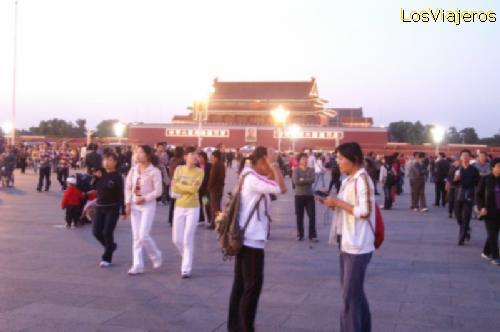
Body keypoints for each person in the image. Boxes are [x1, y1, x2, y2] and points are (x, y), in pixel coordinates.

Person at [227, 146, 286, 332]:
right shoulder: (252, 178)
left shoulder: (248, 176)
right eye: (267, 163)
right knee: (252, 286)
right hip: (251, 239)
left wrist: (272, 167)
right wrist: (275, 163)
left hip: (246, 237)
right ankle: (245, 327)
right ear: (261, 161)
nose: (270, 168)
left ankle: (235, 326)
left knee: (241, 285)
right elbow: (281, 188)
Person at [321, 142, 375, 332]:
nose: (338, 162)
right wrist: (333, 203)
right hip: (347, 241)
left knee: (349, 298)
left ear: (354, 160)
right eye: (337, 158)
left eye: (341, 159)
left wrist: (338, 202)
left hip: (358, 245)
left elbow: (365, 211)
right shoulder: (348, 180)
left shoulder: (362, 180)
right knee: (355, 294)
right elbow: (347, 206)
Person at [125, 145, 163, 275]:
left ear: (148, 155)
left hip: (148, 205)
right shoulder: (133, 170)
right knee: (136, 237)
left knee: (143, 235)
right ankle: (137, 265)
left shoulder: (154, 171)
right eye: (137, 152)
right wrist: (127, 203)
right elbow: (128, 187)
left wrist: (145, 198)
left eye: (141, 152)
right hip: (135, 205)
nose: (138, 155)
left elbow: (158, 191)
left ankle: (155, 255)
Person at [171, 146, 204, 278]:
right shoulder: (179, 169)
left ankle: (186, 268)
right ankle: (187, 256)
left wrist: (179, 185)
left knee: (187, 238)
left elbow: (193, 190)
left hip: (193, 207)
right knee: (176, 239)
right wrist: (185, 187)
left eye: (196, 155)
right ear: (185, 157)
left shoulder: (200, 172)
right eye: (192, 155)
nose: (195, 157)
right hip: (179, 206)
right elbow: (175, 187)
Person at [91, 152, 124, 268]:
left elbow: (121, 194)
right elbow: (93, 187)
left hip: (112, 208)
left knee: (107, 232)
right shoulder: (101, 174)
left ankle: (107, 257)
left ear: (115, 162)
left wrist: (123, 210)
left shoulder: (117, 177)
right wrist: (96, 177)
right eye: (105, 160)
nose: (106, 162)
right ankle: (110, 246)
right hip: (99, 207)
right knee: (96, 232)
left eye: (109, 160)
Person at [476, 157, 500, 266]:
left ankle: (486, 251)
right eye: (498, 166)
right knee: (493, 234)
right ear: (492, 167)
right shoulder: (486, 179)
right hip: (489, 211)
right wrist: (481, 207)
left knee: (493, 233)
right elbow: (478, 195)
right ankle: (495, 256)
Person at [455, 149, 480, 245]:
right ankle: (467, 229)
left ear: (470, 158)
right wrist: (455, 180)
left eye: (467, 155)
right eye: (463, 156)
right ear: (460, 158)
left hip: (469, 194)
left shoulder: (474, 170)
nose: (465, 157)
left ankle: (461, 238)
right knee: (458, 216)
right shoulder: (457, 168)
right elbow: (453, 182)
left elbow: (477, 183)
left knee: (466, 216)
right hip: (458, 195)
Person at [292, 152, 317, 242]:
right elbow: (296, 181)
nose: (305, 160)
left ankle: (312, 235)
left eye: (306, 158)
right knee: (299, 216)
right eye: (303, 159)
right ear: (299, 161)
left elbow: (313, 180)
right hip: (298, 196)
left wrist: (302, 179)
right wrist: (306, 180)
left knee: (312, 216)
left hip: (309, 195)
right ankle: (300, 234)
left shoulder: (311, 170)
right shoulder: (296, 170)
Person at [207, 150, 225, 229]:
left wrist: (209, 187)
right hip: (220, 188)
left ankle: (214, 224)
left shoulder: (216, 165)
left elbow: (212, 178)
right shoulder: (222, 164)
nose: (211, 158)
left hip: (214, 189)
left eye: (212, 156)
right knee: (218, 207)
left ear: (215, 157)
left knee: (214, 207)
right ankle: (219, 223)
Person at [167, 146, 185, 226]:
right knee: (179, 203)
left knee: (173, 202)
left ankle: (171, 219)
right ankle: (177, 220)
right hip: (180, 184)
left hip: (172, 182)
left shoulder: (172, 160)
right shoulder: (182, 161)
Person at [197, 151, 212, 226]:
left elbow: (210, 177)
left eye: (201, 157)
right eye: (198, 157)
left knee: (206, 204)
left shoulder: (209, 166)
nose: (199, 159)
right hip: (198, 190)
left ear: (204, 157)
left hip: (205, 190)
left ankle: (209, 219)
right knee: (199, 205)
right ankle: (201, 219)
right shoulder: (197, 166)